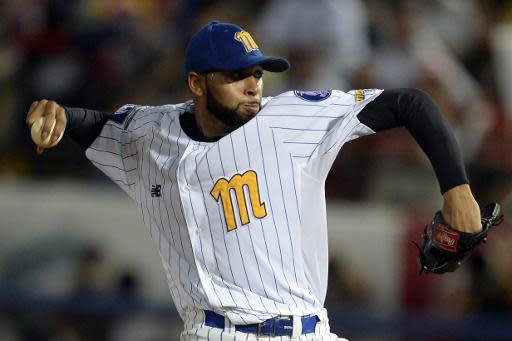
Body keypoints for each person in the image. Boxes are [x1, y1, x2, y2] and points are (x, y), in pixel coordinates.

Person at [26, 21, 482, 340]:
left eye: (257, 73)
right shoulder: (150, 134)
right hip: (213, 333)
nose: (253, 85)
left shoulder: (291, 117)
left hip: (309, 330)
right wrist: (58, 115)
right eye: (236, 75)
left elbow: (411, 103)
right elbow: (96, 124)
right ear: (196, 84)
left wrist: (457, 191)